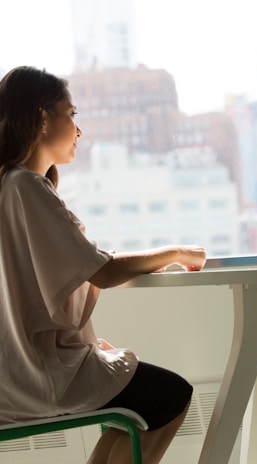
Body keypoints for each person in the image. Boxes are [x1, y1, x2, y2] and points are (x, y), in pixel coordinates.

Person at [0, 66, 207, 464]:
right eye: (72, 115)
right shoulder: (24, 187)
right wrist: (175, 252)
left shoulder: (10, 185)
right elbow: (103, 271)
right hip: (35, 375)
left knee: (132, 407)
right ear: (43, 118)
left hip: (18, 370)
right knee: (171, 395)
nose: (79, 130)